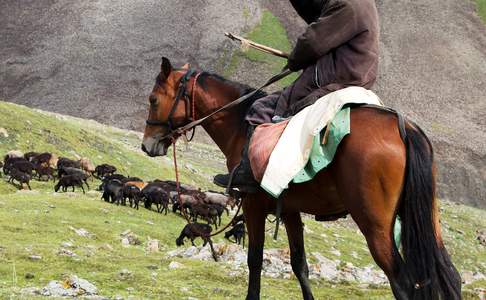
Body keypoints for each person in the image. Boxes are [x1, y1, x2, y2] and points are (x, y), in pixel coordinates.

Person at [214, 0, 380, 192]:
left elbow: (313, 42)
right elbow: (320, 16)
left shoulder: (346, 4)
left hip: (335, 75)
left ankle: (247, 173)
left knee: (263, 108)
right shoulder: (363, 3)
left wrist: (295, 59)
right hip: (359, 74)